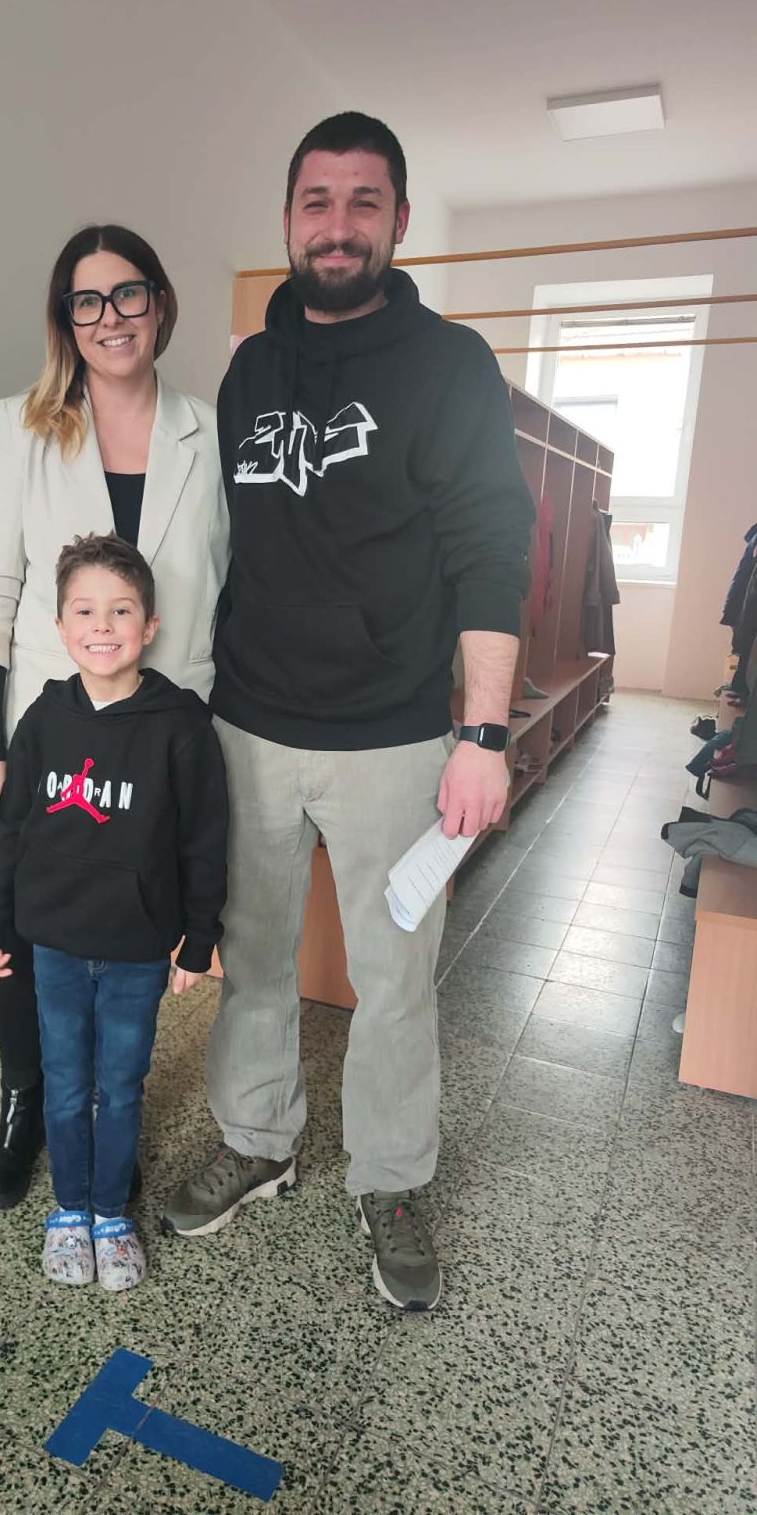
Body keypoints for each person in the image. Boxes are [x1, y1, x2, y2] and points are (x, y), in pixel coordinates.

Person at [161, 112, 535, 1312]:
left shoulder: (451, 365)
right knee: (255, 957)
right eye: (317, 201)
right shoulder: (249, 372)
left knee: (395, 977)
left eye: (364, 201)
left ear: (398, 221)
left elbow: (490, 550)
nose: (338, 224)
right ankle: (256, 1140)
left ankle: (392, 1180)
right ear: (288, 219)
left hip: (393, 738)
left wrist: (483, 736)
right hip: (249, 725)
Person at [0, 226, 228, 1210]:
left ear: (160, 304)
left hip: (163, 732)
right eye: (87, 300)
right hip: (49, 727)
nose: (111, 318)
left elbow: (232, 588)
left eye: (129, 294)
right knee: (31, 924)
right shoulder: (25, 429)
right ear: (65, 320)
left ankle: (111, 1120)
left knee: (128, 922)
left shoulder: (210, 433)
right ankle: (24, 1107)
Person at [0, 534, 228, 1289]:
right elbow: (14, 829)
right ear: (60, 627)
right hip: (53, 943)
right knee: (63, 1080)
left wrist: (198, 939)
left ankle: (111, 1212)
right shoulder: (44, 719)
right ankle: (68, 1209)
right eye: (84, 610)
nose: (103, 625)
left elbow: (205, 841)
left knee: (120, 1085)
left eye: (121, 610)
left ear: (150, 626)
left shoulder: (181, 725)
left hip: (138, 949)